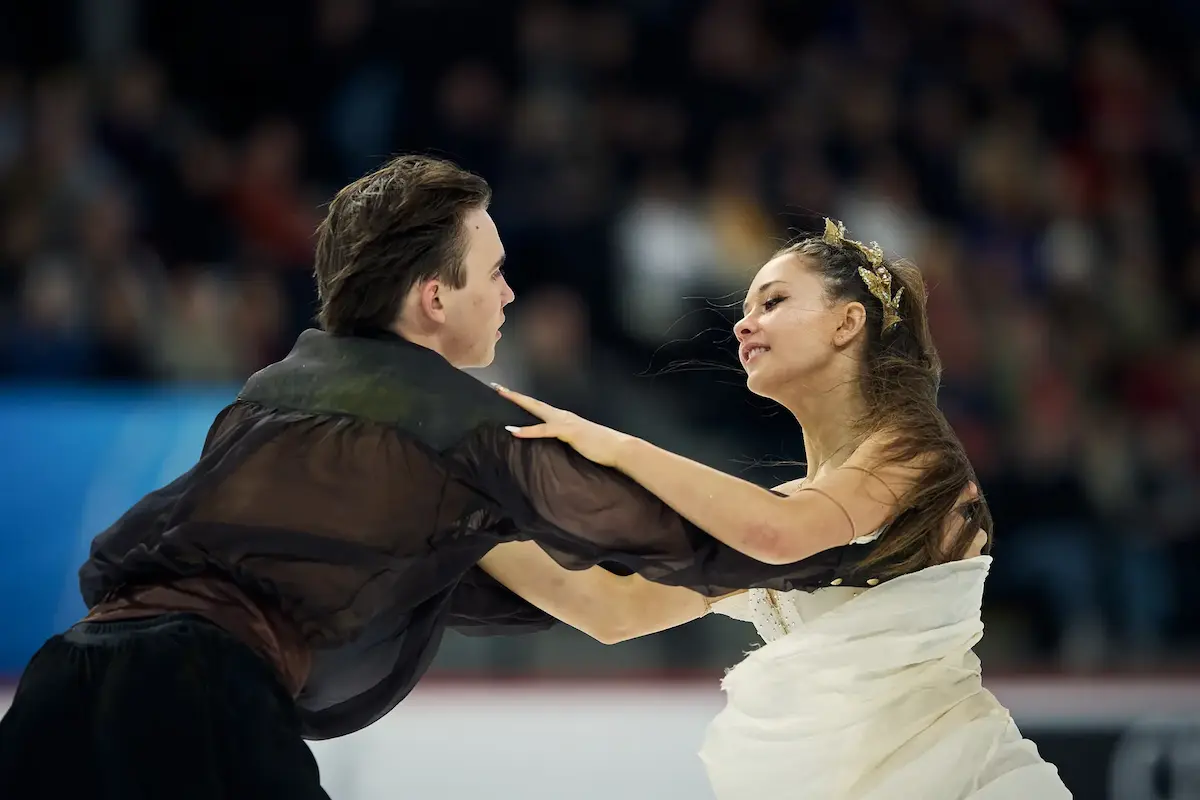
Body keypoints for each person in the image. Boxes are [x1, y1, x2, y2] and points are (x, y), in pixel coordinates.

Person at [0, 159, 899, 800]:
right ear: (436, 297)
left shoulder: (269, 400)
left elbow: (599, 606)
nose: (508, 295)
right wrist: (844, 539)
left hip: (60, 686)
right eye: (496, 272)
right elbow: (683, 547)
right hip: (201, 694)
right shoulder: (462, 423)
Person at [478, 219, 1072, 799]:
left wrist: (616, 445)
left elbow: (779, 534)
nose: (743, 324)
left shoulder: (914, 454)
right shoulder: (798, 509)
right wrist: (468, 514)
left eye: (773, 301)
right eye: (746, 308)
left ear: (847, 322)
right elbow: (614, 610)